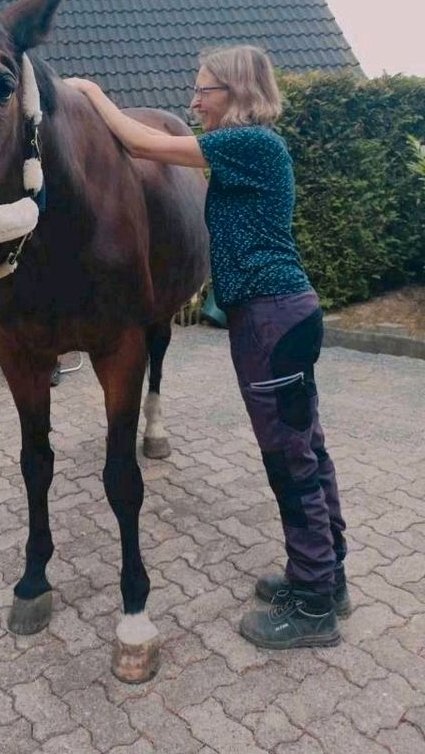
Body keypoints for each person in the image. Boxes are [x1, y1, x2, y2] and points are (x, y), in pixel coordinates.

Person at [64, 45, 349, 650]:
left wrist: (90, 95)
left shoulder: (249, 144)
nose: (193, 102)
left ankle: (316, 604)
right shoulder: (252, 149)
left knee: (290, 460)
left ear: (237, 92)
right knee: (308, 447)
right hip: (279, 316)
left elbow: (140, 145)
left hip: (271, 320)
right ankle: (325, 574)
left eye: (203, 91)